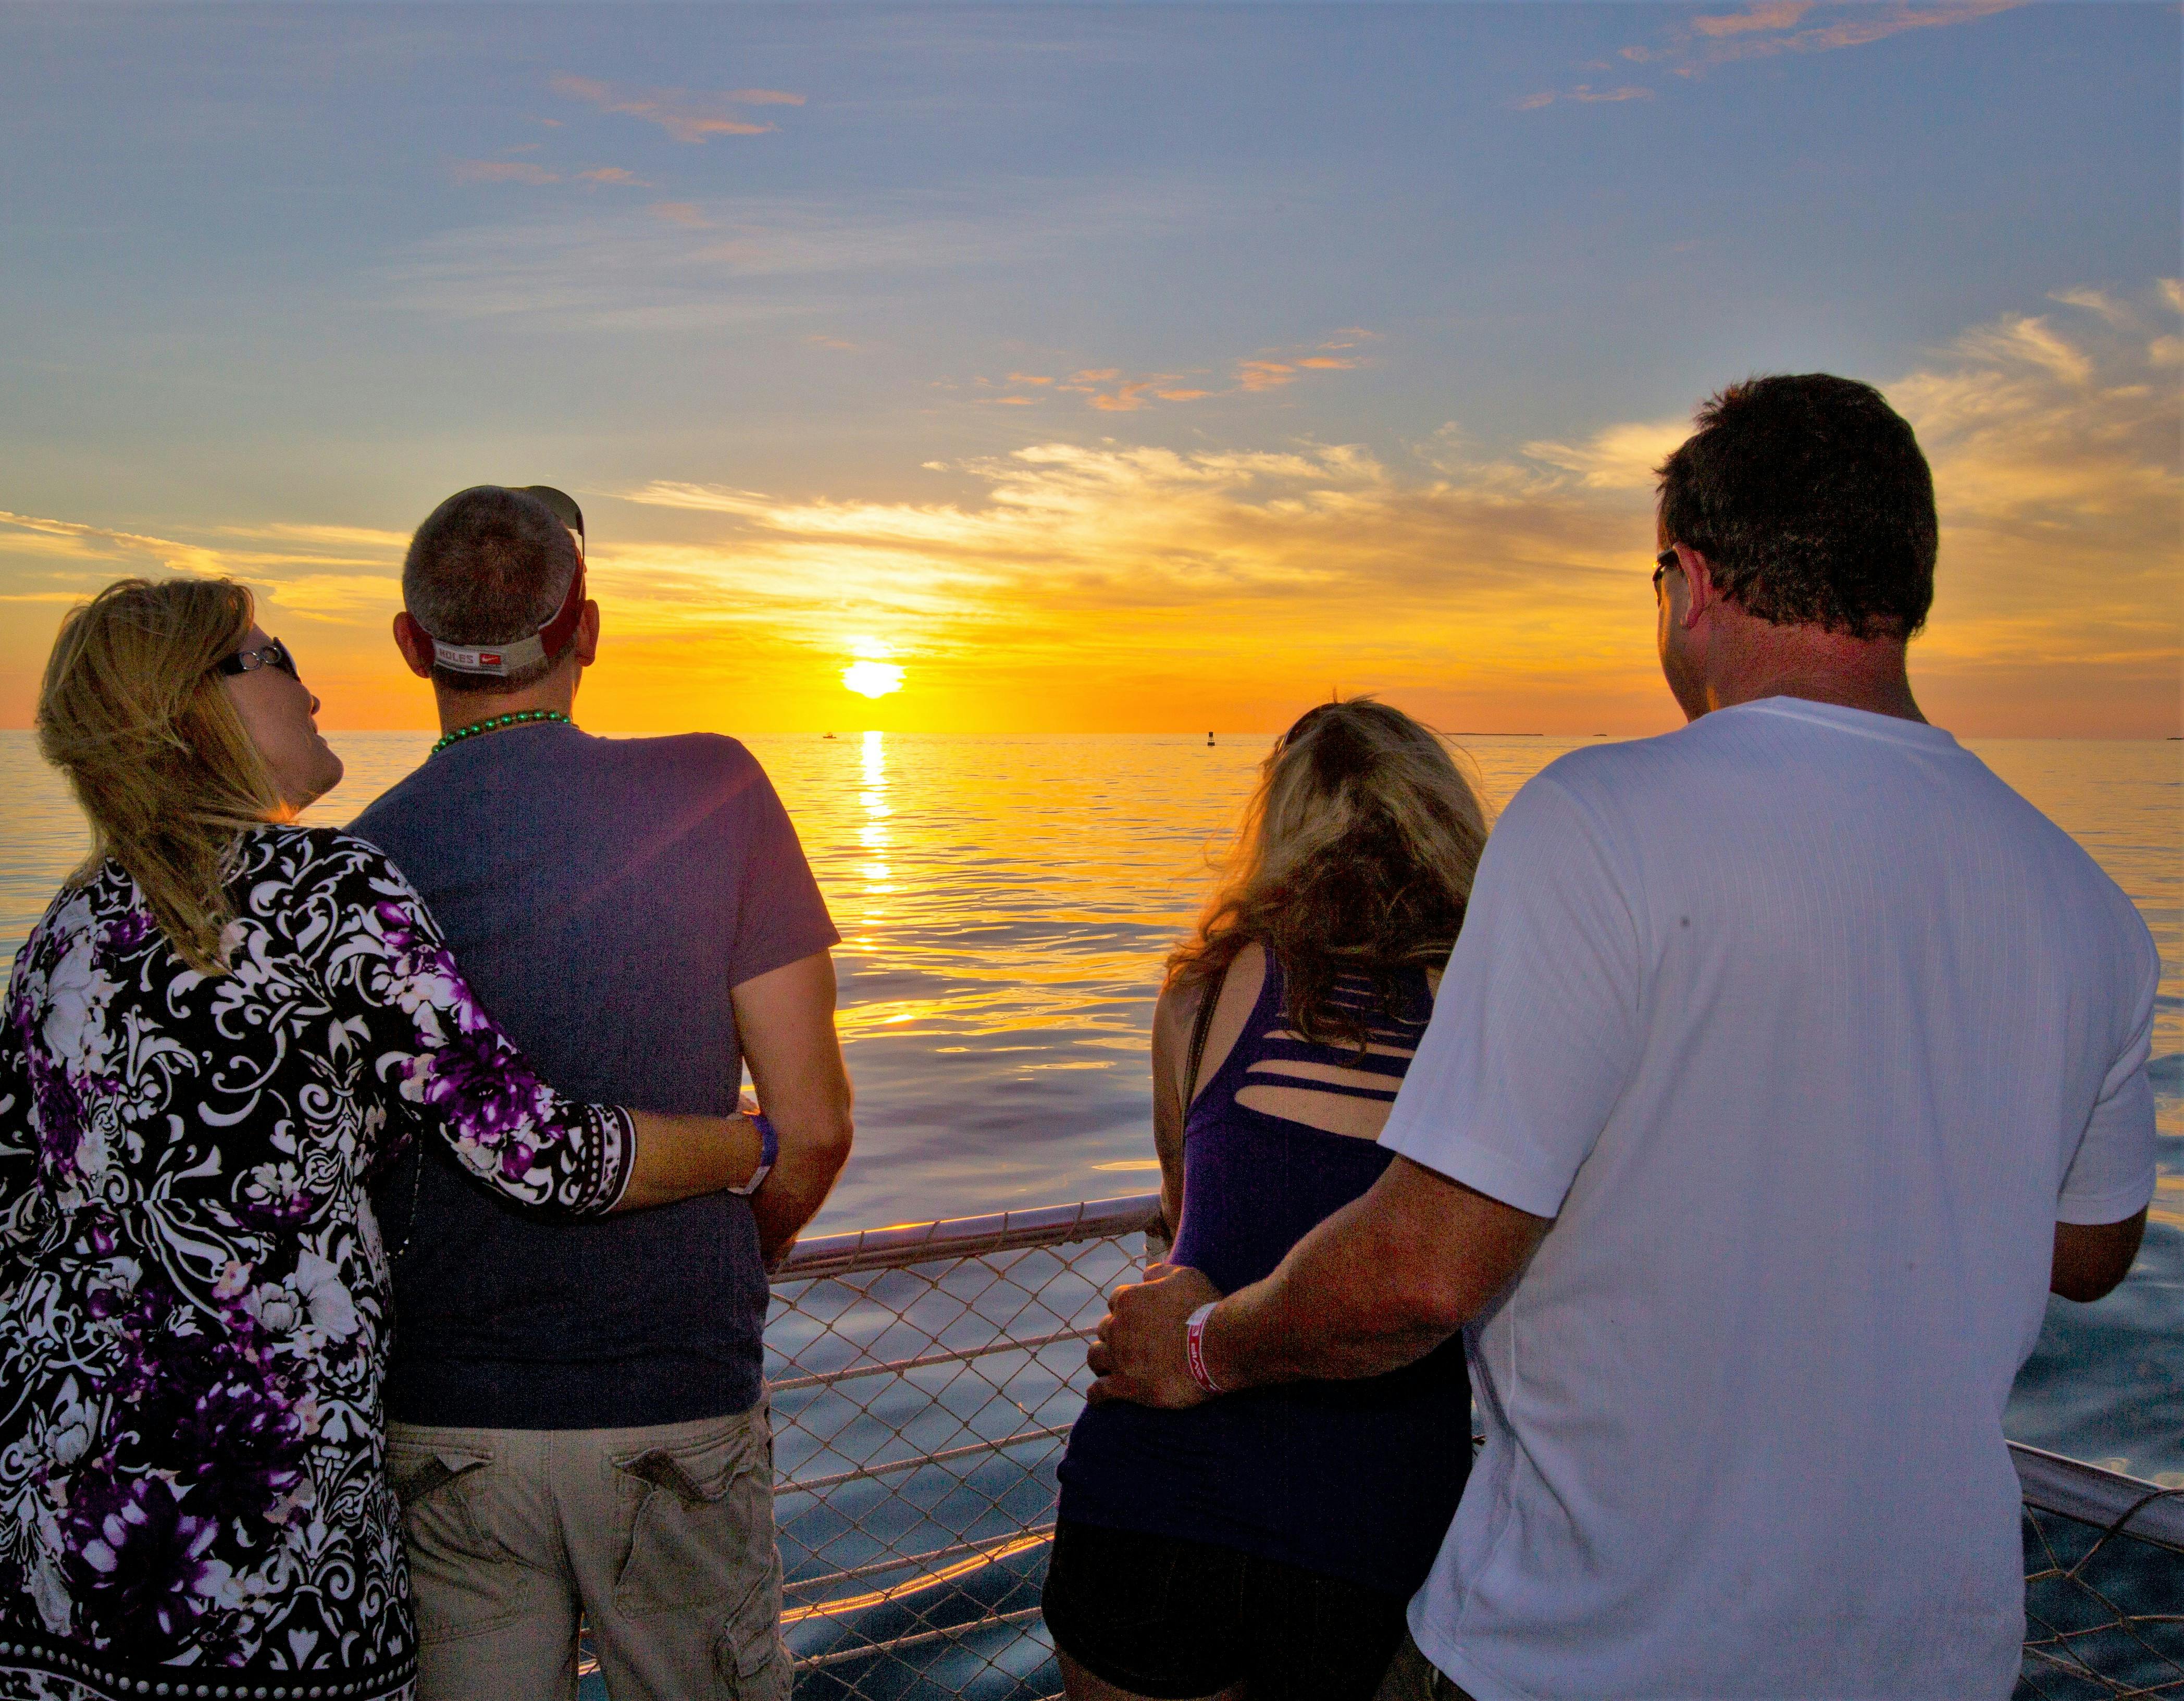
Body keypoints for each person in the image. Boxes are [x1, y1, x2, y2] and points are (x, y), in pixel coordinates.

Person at [1087, 374, 2160, 1700]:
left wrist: (1207, 1348)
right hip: (1929, 1658)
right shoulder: (2091, 909)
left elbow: (1424, 1273)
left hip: (1586, 1652)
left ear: (1691, 584)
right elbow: (2096, 1250)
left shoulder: (1599, 823)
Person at [0, 577, 775, 1701]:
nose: (315, 685)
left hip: (43, 1512)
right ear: (201, 704)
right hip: (253, 1514)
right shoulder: (329, 888)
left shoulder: (69, 928)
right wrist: (744, 1150)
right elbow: (531, 1154)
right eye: (274, 656)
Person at [351, 485, 853, 1701]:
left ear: (413, 645)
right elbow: (817, 1124)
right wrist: (735, 1257)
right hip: (669, 1392)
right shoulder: (715, 790)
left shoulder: (353, 864)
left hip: (443, 1421)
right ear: (588, 625)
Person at [1047, 698, 1490, 1701]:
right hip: (1366, 1518)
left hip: (1150, 1491)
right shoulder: (1487, 1008)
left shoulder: (1203, 992)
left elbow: (1183, 1210)